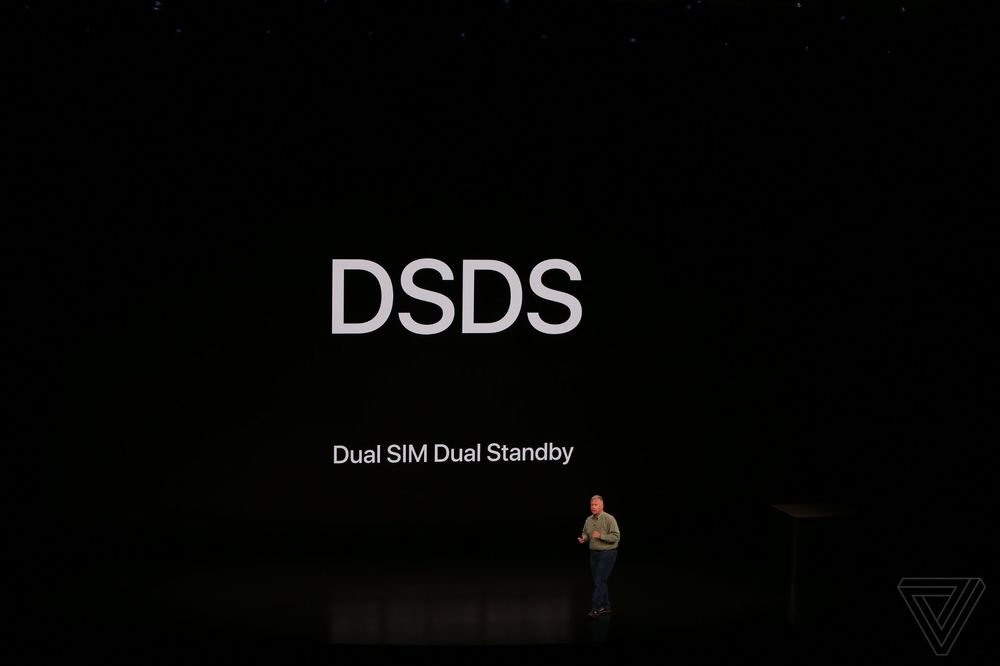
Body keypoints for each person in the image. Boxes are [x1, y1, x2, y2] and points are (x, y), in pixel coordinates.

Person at [577, 494, 620, 617]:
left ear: (602, 506)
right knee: (600, 581)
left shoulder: (609, 519)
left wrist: (601, 536)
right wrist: (584, 539)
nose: (593, 507)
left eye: (596, 505)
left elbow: (616, 537)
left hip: (608, 554)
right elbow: (585, 533)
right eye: (592, 505)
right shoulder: (588, 520)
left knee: (599, 581)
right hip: (594, 555)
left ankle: (596, 608)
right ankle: (606, 607)